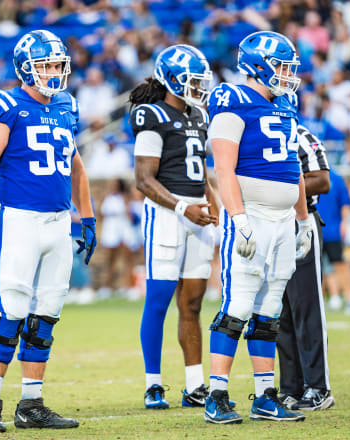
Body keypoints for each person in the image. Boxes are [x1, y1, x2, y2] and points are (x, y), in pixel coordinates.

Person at [0, 30, 96, 432]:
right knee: (11, 312)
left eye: (57, 65)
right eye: (44, 66)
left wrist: (86, 218)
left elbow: (77, 166)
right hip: (17, 220)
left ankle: (31, 404)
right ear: (24, 69)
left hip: (57, 222)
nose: (52, 73)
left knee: (46, 314)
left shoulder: (66, 104)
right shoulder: (6, 104)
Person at [205, 31, 312, 424]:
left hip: (284, 220)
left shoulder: (286, 104)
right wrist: (238, 218)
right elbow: (223, 169)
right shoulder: (230, 99)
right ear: (258, 66)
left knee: (269, 310)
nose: (287, 76)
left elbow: (294, 166)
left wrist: (303, 219)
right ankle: (216, 394)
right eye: (281, 68)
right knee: (237, 306)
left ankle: (266, 394)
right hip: (250, 215)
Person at [129, 44, 219, 410]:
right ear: (171, 79)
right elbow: (143, 180)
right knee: (159, 301)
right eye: (192, 81)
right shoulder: (152, 115)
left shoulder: (198, 116)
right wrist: (184, 208)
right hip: (167, 215)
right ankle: (153, 384)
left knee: (193, 303)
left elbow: (199, 170)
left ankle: (195, 384)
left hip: (196, 214)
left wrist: (214, 205)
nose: (199, 87)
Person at [277, 125, 334, 411]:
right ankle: (291, 387)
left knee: (306, 306)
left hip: (300, 223)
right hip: (270, 224)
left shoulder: (298, 133)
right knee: (280, 310)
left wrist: (279, 189)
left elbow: (322, 181)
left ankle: (318, 387)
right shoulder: (253, 131)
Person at [316, 168, 350, 314]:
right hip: (313, 230)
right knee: (315, 269)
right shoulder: (308, 175)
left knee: (341, 266)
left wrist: (345, 223)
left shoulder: (336, 178)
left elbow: (345, 203)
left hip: (333, 230)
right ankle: (317, 304)